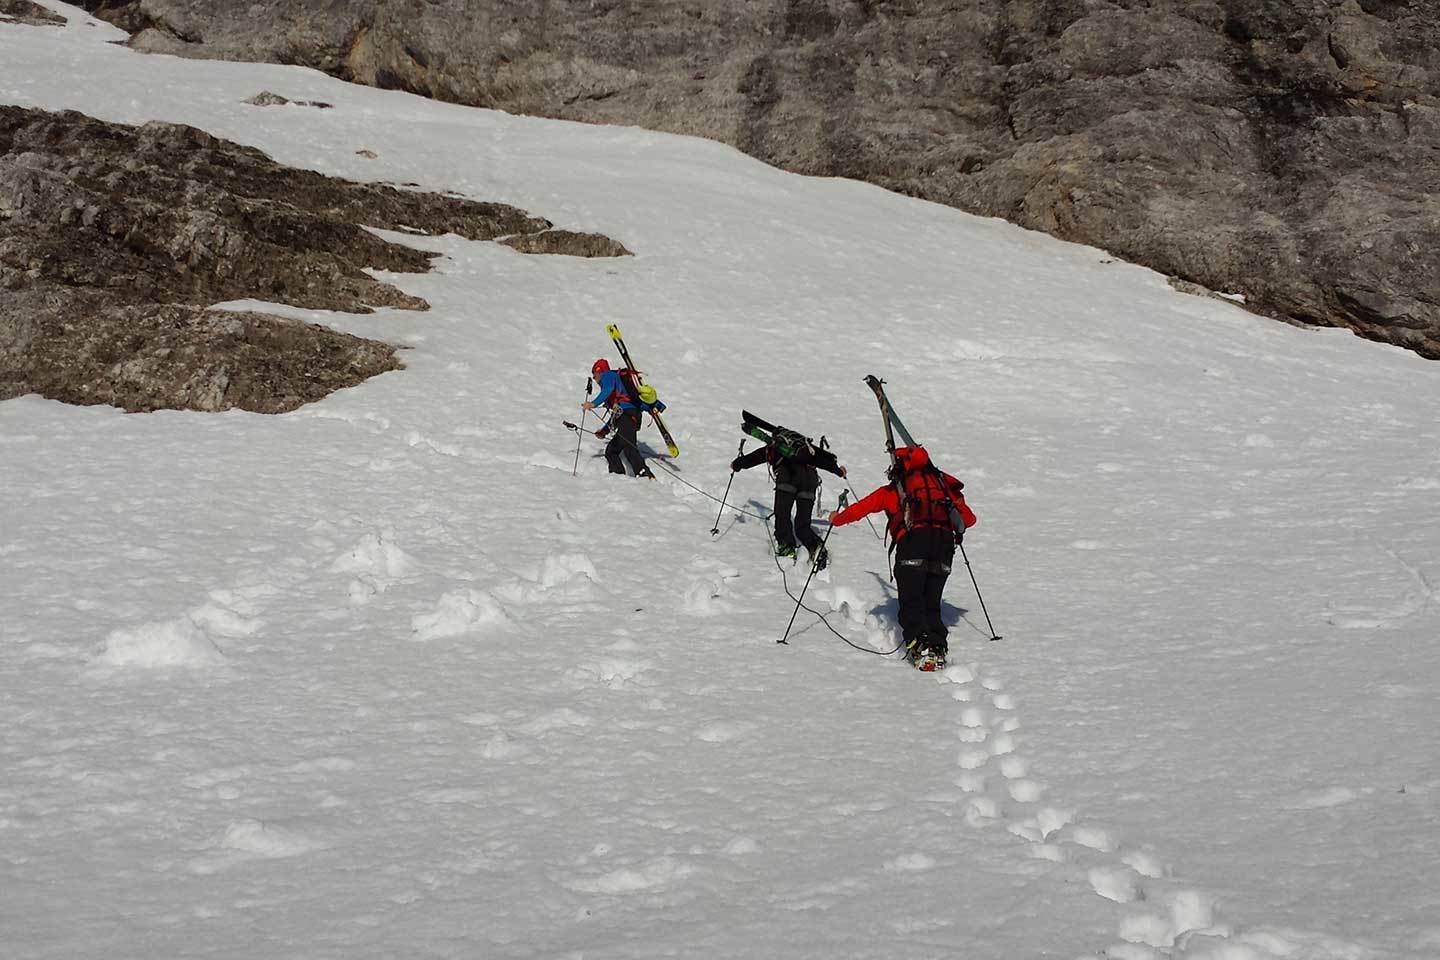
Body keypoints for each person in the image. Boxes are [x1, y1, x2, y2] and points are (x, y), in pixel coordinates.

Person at [829, 446, 976, 666]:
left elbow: (862, 508)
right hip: (943, 546)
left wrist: (836, 519)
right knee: (931, 603)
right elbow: (969, 519)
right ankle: (936, 646)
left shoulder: (895, 490)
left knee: (912, 600)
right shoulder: (942, 486)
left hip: (913, 543)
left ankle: (920, 645)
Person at [732, 426, 846, 569]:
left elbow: (754, 458)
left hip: (788, 477)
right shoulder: (807, 450)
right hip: (810, 481)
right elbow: (823, 461)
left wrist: (736, 464)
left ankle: (787, 547)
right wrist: (839, 472)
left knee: (783, 515)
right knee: (802, 525)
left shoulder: (775, 447)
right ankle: (816, 547)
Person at [582, 358, 664, 478]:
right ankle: (618, 477)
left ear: (598, 370)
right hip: (626, 417)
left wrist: (593, 404)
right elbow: (621, 411)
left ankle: (644, 474)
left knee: (629, 447)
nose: (594, 379)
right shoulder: (617, 390)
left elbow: (608, 390)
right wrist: (605, 430)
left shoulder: (608, 375)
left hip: (628, 416)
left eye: (594, 375)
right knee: (611, 451)